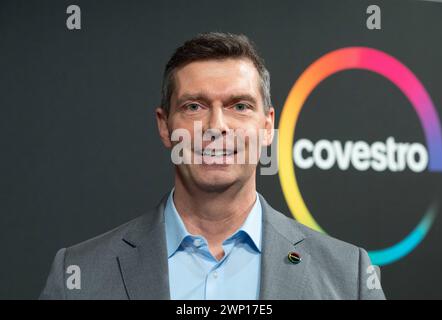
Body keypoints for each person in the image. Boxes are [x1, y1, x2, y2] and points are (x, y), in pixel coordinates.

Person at [40, 32, 385, 300]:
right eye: (193, 106)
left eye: (239, 106)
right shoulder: (79, 275)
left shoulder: (348, 276)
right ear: (164, 126)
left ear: (267, 127)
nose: (216, 126)